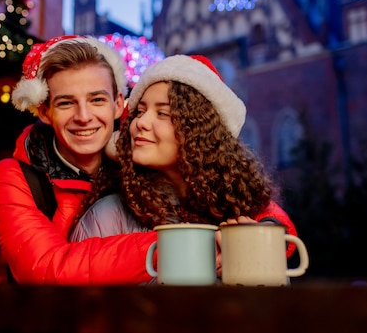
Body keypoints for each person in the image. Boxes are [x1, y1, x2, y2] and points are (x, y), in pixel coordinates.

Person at [69, 54, 298, 274]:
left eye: (162, 113)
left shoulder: (237, 210)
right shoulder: (110, 215)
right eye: (139, 111)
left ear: (198, 133)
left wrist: (258, 252)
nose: (141, 122)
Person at [0, 35, 157, 285]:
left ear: (118, 104)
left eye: (97, 99)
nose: (84, 116)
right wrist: (169, 250)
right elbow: (45, 270)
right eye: (66, 103)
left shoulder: (145, 165)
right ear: (45, 111)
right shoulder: (12, 178)